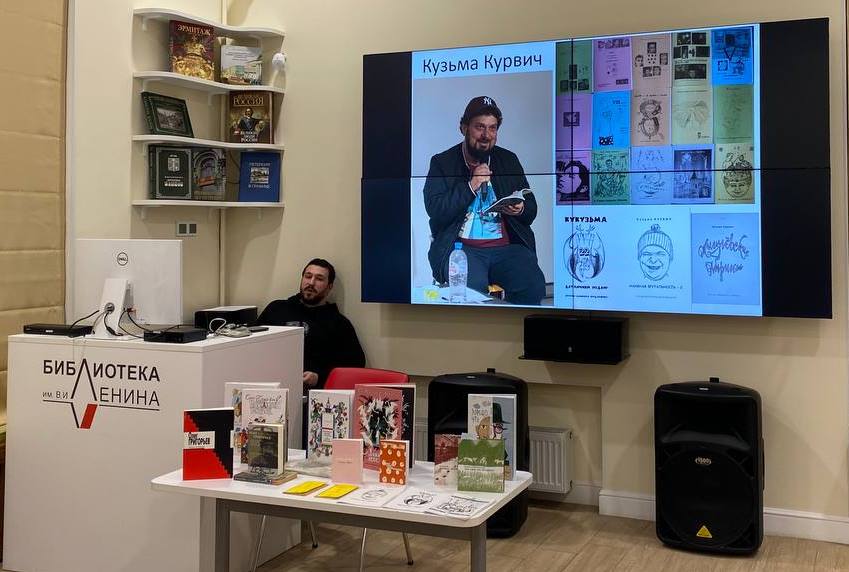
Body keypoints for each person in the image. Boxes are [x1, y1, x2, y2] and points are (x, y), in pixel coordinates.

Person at [423, 96, 545, 305]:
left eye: (492, 128)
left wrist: (520, 208)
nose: (486, 135)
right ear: (464, 128)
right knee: (471, 295)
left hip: (507, 248)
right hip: (461, 249)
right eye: (479, 127)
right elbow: (435, 210)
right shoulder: (442, 162)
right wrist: (471, 185)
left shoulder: (508, 160)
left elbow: (531, 208)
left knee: (532, 285)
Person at [257, 258, 365, 390]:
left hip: (313, 392)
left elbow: (355, 364)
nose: (311, 282)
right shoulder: (276, 309)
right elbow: (253, 344)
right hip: (269, 386)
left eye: (319, 279)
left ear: (329, 286)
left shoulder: (339, 323)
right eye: (308, 276)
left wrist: (319, 377)